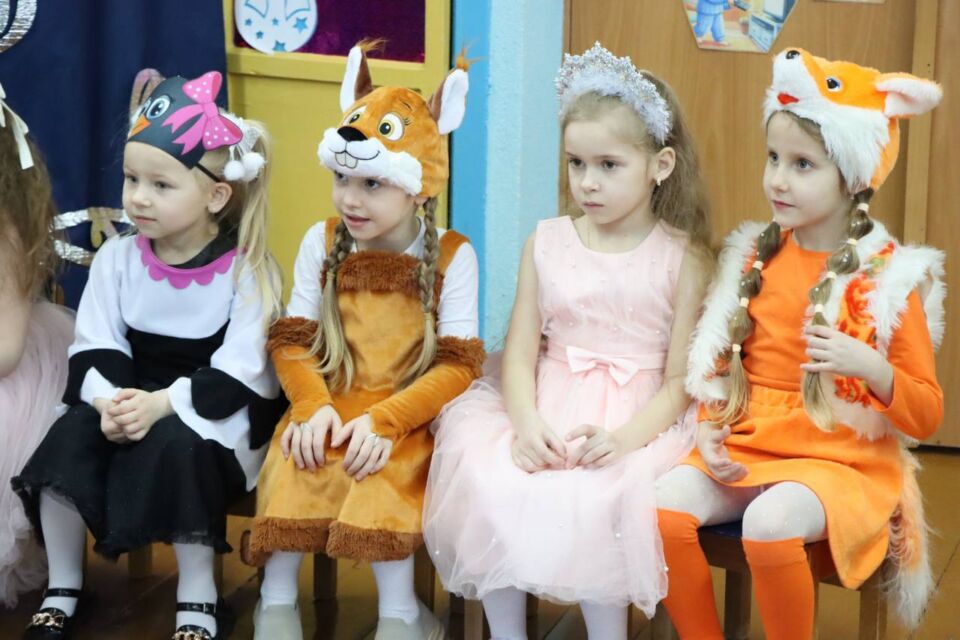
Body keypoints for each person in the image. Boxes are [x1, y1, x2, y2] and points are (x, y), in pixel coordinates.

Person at [423, 43, 713, 639]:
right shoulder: (547, 242)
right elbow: (519, 352)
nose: (587, 182)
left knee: (598, 501)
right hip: (546, 406)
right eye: (576, 163)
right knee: (495, 479)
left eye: (609, 165)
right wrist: (526, 424)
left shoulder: (683, 258)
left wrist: (623, 440)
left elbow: (678, 381)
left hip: (636, 423)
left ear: (660, 165)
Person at [656, 48, 945, 639]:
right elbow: (721, 369)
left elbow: (926, 413)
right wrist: (709, 428)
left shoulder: (889, 279)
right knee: (665, 503)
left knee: (771, 522)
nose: (778, 179)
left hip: (839, 459)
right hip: (751, 441)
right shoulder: (750, 257)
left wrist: (872, 368)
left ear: (853, 176)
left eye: (803, 164)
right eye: (773, 158)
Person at [13, 70, 283, 640]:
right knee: (67, 440)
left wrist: (162, 405)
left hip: (209, 416)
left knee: (179, 450)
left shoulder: (248, 271)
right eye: (132, 179)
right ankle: (64, 585)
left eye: (161, 185)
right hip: (128, 400)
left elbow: (243, 368)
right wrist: (109, 402)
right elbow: (97, 341)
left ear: (215, 196)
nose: (138, 197)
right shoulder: (118, 258)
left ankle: (198, 596)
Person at [245, 43, 483, 640]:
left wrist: (386, 420)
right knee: (297, 457)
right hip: (331, 400)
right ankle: (276, 603)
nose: (350, 199)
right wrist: (310, 406)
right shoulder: (321, 240)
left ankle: (400, 615)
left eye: (373, 183)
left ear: (418, 187)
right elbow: (293, 339)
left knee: (381, 473)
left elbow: (458, 365)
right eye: (342, 179)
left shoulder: (454, 255)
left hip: (407, 415)